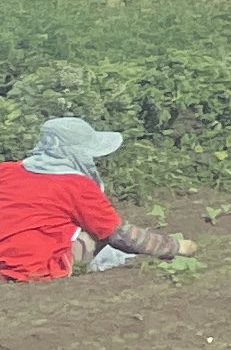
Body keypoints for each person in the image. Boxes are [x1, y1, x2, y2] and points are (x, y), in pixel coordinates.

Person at [0, 118, 190, 281]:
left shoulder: (6, 170)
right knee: (98, 233)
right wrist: (174, 246)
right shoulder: (77, 185)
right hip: (36, 268)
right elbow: (120, 234)